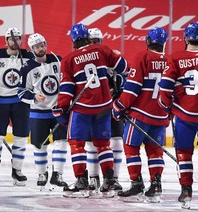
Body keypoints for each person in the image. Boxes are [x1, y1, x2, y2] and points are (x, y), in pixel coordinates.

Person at [53, 23, 128, 196]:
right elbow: (124, 67)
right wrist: (116, 56)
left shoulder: (69, 59)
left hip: (83, 108)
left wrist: (62, 107)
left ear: (73, 40)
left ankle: (81, 180)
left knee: (77, 143)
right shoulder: (102, 50)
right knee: (103, 144)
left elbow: (67, 87)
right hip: (104, 106)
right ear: (87, 36)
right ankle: (109, 179)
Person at [112, 27, 169, 202]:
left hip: (140, 114)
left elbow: (133, 87)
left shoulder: (142, 57)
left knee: (130, 147)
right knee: (155, 151)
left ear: (148, 41)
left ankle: (136, 183)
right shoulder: (169, 60)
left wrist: (119, 105)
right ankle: (156, 185)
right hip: (160, 115)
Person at [158, 22, 198, 209]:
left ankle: (186, 192)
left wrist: (166, 107)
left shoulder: (176, 58)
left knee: (184, 154)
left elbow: (164, 89)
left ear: (186, 38)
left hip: (186, 115)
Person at [0, 27, 34, 186]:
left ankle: (17, 171)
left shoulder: (28, 55)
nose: (15, 41)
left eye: (18, 38)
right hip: (0, 103)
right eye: (12, 39)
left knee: (20, 139)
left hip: (21, 104)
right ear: (6, 41)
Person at [18, 33, 68, 189]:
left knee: (61, 143)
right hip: (38, 113)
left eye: (42, 45)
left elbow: (67, 80)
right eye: (37, 46)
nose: (41, 48)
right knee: (40, 145)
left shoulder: (57, 60)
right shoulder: (27, 68)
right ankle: (42, 173)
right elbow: (20, 92)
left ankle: (57, 175)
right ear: (32, 49)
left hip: (58, 111)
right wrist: (33, 96)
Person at [85, 27, 125, 192]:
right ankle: (93, 178)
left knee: (116, 141)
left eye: (97, 41)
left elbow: (125, 75)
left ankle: (113, 178)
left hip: (111, 105)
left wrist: (117, 86)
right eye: (91, 41)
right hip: (90, 106)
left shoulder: (110, 54)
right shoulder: (82, 57)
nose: (94, 44)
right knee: (91, 144)